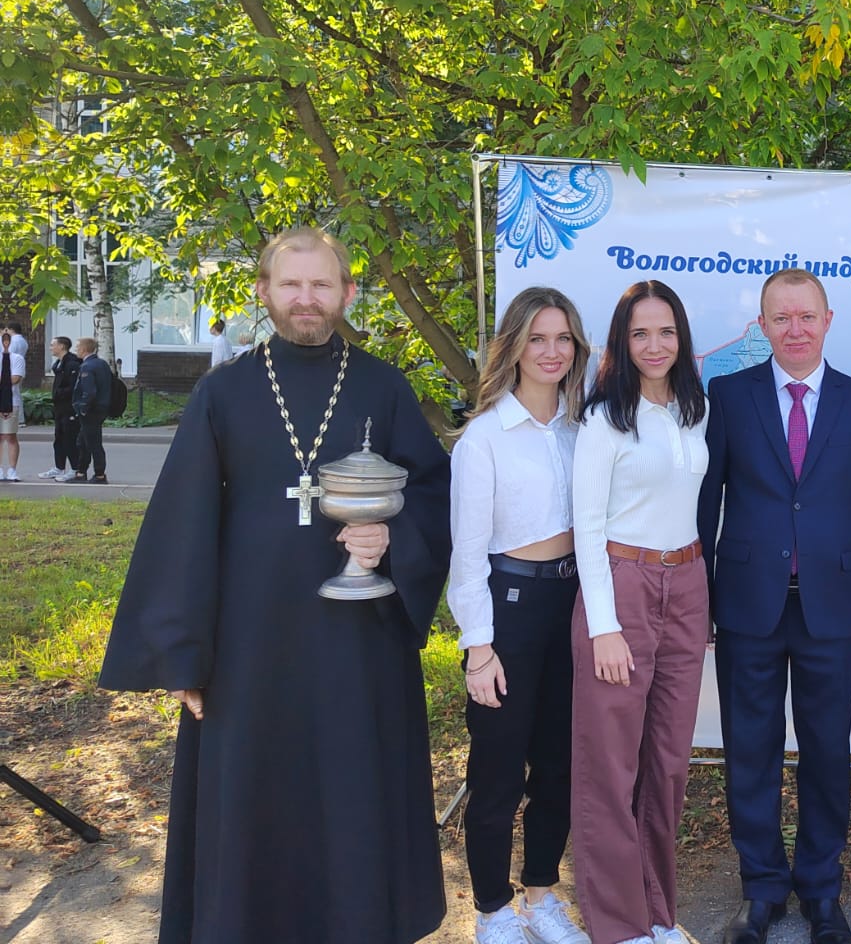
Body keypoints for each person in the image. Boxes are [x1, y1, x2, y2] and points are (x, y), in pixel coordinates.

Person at [98, 226, 453, 944]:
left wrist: (392, 539)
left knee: (353, 790)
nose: (306, 298)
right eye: (291, 284)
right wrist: (183, 654)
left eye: (321, 284)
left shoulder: (383, 387)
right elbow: (184, 523)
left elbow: (433, 495)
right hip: (248, 646)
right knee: (251, 798)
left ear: (348, 292)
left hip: (358, 646)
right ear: (263, 291)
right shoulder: (223, 392)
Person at [697, 269, 851, 944]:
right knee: (750, 753)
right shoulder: (730, 395)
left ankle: (819, 891)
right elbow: (707, 504)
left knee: (826, 754)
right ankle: (761, 889)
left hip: (833, 609)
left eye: (806, 316)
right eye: (781, 318)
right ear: (763, 325)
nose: (795, 329)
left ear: (828, 320)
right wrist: (700, 600)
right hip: (747, 606)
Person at [449, 287, 592, 944]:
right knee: (498, 770)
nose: (551, 351)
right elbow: (467, 553)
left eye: (563, 339)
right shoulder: (484, 437)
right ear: (513, 346)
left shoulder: (582, 430)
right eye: (537, 338)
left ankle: (541, 894)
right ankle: (492, 910)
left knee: (559, 764)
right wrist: (479, 649)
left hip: (570, 605)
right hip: (508, 610)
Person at [569, 280, 709, 944]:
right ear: (622, 342)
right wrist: (604, 627)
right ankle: (618, 924)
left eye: (666, 332)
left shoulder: (694, 409)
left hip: (688, 584)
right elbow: (587, 526)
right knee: (611, 764)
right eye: (640, 333)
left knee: (668, 762)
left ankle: (657, 913)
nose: (655, 345)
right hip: (621, 586)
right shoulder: (605, 419)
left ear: (681, 338)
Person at [66, 337, 112, 484]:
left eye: (78, 347)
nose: (76, 350)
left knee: (93, 443)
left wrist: (83, 408)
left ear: (84, 349)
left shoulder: (87, 366)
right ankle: (81, 472)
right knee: (83, 442)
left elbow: (89, 391)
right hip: (101, 408)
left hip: (91, 410)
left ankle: (100, 475)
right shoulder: (102, 364)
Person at [39, 336, 84, 479]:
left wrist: (59, 393)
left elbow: (74, 387)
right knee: (59, 438)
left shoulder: (72, 364)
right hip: (60, 407)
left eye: (53, 345)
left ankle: (75, 468)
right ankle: (59, 467)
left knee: (70, 438)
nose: (50, 348)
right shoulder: (59, 364)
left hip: (69, 407)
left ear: (62, 346)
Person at [0, 327, 22, 481]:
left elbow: (15, 379)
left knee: (9, 435)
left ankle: (12, 469)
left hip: (10, 401)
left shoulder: (16, 358)